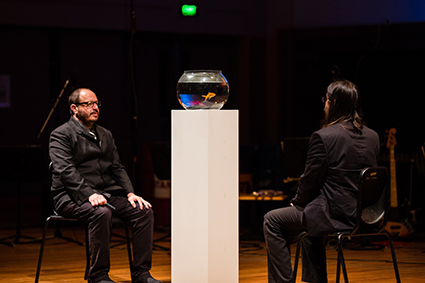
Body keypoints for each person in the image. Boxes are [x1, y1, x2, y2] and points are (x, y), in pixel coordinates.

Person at [263, 80, 380, 283]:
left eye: (326, 99)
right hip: (368, 216)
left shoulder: (323, 137)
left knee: (272, 220)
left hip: (335, 215)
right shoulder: (373, 136)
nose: (324, 104)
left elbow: (309, 181)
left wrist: (298, 202)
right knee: (311, 219)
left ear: (333, 103)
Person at [49, 88, 162, 283]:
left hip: (106, 193)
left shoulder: (105, 134)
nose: (95, 108)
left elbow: (117, 167)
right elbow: (65, 170)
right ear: (74, 108)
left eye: (96, 104)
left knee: (143, 211)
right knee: (101, 213)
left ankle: (141, 273)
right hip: (70, 196)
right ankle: (99, 276)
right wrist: (87, 194)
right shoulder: (61, 135)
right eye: (88, 104)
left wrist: (130, 193)